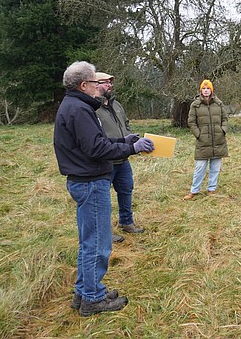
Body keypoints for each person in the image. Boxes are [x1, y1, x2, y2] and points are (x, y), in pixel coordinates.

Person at [53, 61, 154, 316]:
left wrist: (123, 140)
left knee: (90, 241)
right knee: (98, 244)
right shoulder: (79, 109)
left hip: (85, 180)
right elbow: (96, 149)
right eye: (96, 82)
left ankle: (84, 291)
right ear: (84, 85)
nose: (101, 86)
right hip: (90, 182)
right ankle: (93, 298)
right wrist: (132, 148)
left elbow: (93, 142)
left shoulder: (76, 106)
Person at [94, 72, 145, 242]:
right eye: (106, 83)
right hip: (105, 160)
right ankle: (105, 231)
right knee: (102, 198)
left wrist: (131, 138)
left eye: (110, 83)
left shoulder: (117, 105)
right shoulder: (92, 108)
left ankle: (126, 222)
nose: (110, 86)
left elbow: (126, 123)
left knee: (126, 190)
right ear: (95, 84)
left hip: (123, 158)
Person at [184, 79, 229, 200]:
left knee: (215, 167)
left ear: (211, 90)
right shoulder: (195, 105)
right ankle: (194, 191)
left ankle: (211, 189)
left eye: (208, 88)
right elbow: (191, 122)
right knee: (200, 167)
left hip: (218, 140)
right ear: (201, 90)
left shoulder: (219, 103)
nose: (206, 91)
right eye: (204, 89)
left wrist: (222, 130)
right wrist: (198, 134)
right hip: (203, 141)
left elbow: (225, 118)